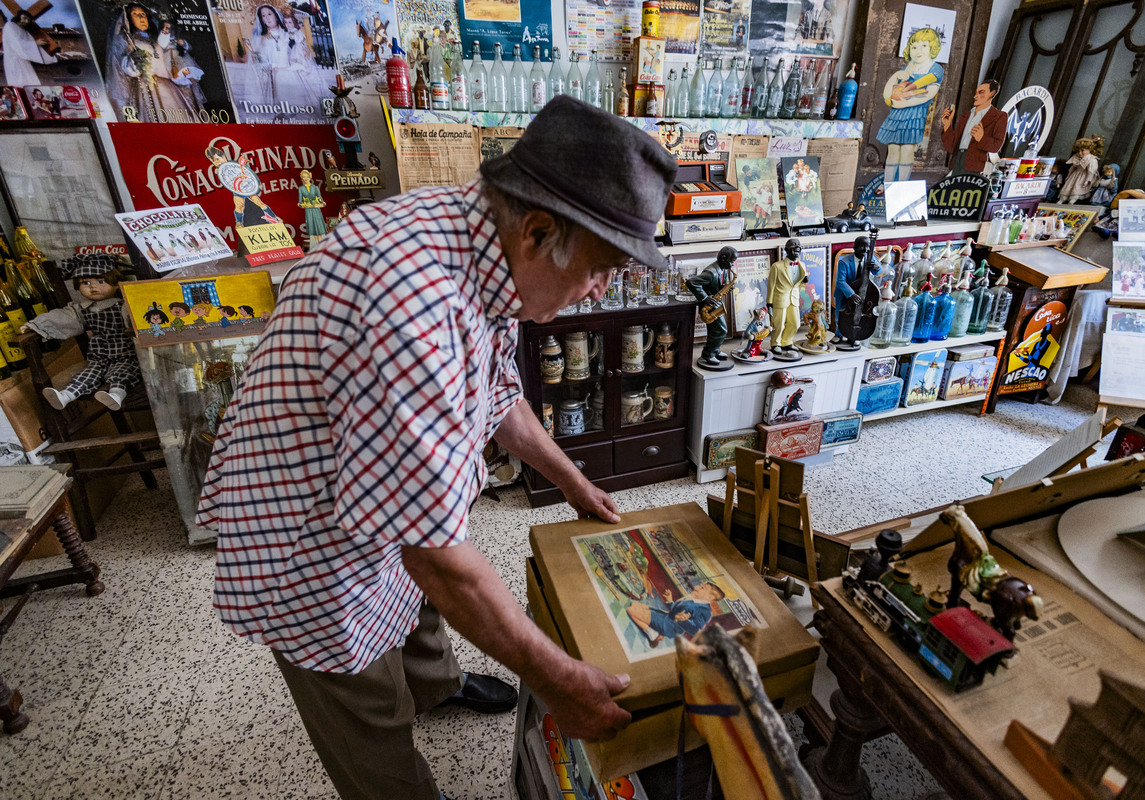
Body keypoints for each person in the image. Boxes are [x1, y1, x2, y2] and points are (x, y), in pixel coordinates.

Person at [194, 96, 676, 800]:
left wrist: (572, 481)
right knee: (365, 697)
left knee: (414, 593)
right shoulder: (415, 299)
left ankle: (438, 686)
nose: (600, 290)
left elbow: (498, 392)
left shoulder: (484, 238)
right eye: (601, 269)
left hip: (371, 484)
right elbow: (437, 557)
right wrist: (555, 678)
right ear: (540, 231)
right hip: (305, 527)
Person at [22, 254, 141, 411]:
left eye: (100, 281)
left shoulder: (124, 306)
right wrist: (36, 325)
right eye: (86, 283)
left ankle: (116, 395)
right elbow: (62, 318)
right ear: (77, 286)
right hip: (99, 355)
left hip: (126, 354)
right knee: (89, 373)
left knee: (123, 371)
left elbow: (139, 320)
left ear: (116, 284)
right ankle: (65, 395)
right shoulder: (82, 309)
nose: (93, 287)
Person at [105, 3, 194, 122]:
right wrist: (133, 60)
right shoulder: (127, 41)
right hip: (144, 91)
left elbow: (170, 59)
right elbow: (121, 66)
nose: (141, 18)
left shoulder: (158, 40)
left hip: (169, 91)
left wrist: (180, 64)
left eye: (143, 15)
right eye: (136, 15)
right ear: (128, 19)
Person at [878, 27, 944, 182]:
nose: (918, 51)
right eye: (914, 47)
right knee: (893, 149)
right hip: (897, 114)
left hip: (915, 114)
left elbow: (928, 94)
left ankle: (902, 185)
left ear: (932, 48)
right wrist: (896, 76)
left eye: (924, 46)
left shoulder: (935, 68)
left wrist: (901, 103)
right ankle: (888, 183)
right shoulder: (908, 67)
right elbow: (890, 93)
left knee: (907, 149)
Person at [940, 80, 1008, 174]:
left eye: (981, 92)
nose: (975, 96)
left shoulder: (999, 116)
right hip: (956, 161)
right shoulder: (966, 116)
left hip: (975, 165)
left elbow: (996, 146)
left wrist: (981, 138)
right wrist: (947, 125)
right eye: (976, 93)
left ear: (992, 93)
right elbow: (952, 147)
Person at [687, 245, 738, 370]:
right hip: (710, 306)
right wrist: (704, 298)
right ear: (724, 258)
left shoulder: (723, 269)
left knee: (714, 331)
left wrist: (726, 287)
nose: (732, 265)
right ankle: (708, 354)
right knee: (721, 330)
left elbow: (720, 284)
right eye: (731, 261)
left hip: (716, 303)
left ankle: (715, 350)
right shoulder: (710, 273)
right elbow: (691, 282)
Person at [626, 583, 725, 647]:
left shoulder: (705, 611)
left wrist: (683, 620)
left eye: (702, 588)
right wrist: (670, 600)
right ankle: (659, 634)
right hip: (667, 617)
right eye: (700, 585)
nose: (697, 587)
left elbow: (695, 630)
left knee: (631, 610)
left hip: (669, 626)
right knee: (635, 605)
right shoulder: (693, 599)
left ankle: (652, 633)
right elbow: (675, 611)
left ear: (709, 597)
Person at [833, 236, 879, 340]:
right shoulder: (844, 262)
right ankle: (839, 334)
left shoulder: (870, 258)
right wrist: (851, 294)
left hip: (862, 293)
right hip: (845, 293)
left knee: (858, 313)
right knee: (840, 315)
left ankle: (853, 336)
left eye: (867, 246)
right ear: (854, 247)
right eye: (861, 246)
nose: (865, 249)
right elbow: (840, 281)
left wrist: (875, 266)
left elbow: (878, 270)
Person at [768, 238, 806, 357]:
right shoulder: (777, 266)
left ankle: (786, 341)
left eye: (798, 245)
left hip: (793, 299)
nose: (797, 247)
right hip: (780, 299)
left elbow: (798, 283)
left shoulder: (802, 265)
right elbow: (771, 285)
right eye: (793, 245)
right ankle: (775, 344)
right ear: (787, 249)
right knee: (778, 324)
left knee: (795, 323)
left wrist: (803, 282)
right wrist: (769, 302)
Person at [2, 9, 58, 87]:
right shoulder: (10, 26)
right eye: (24, 18)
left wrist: (50, 56)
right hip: (13, 60)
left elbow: (33, 47)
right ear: (18, 17)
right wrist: (35, 43)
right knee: (19, 82)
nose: (26, 21)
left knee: (31, 82)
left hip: (24, 60)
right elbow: (16, 44)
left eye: (28, 19)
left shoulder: (25, 31)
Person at [1060, 136, 1101, 204]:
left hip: (1083, 176)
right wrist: (1070, 173)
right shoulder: (1077, 157)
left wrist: (1088, 180)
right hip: (1075, 174)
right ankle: (1062, 199)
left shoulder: (1091, 159)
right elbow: (1073, 166)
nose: (1080, 153)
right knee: (1069, 186)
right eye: (1078, 151)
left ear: (1089, 149)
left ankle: (1073, 199)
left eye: (1082, 150)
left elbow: (1091, 171)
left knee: (1077, 187)